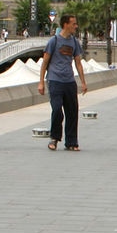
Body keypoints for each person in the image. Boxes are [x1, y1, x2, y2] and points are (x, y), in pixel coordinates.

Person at [37, 13, 88, 151]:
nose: (76, 26)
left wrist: (83, 82)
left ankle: (71, 142)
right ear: (66, 24)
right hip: (55, 80)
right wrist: (41, 82)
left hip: (69, 81)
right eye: (73, 24)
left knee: (72, 112)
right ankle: (54, 138)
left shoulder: (74, 42)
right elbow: (45, 62)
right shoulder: (53, 41)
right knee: (57, 110)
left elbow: (78, 63)